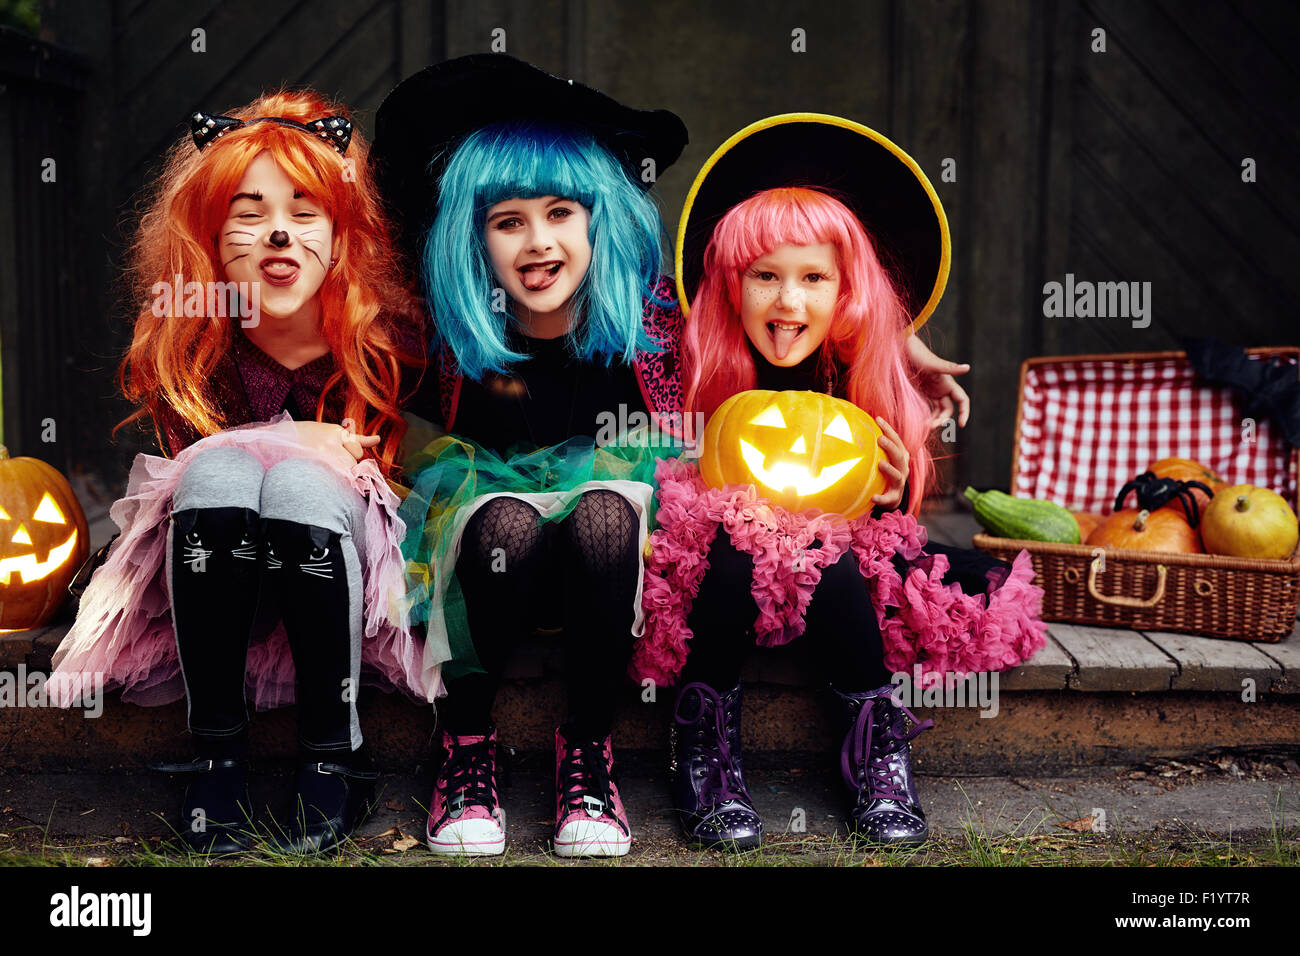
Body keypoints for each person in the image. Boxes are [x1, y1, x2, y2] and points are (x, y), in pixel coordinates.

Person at [630, 115, 1048, 850]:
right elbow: (625, 291)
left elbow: (889, 490)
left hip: (838, 563)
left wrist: (893, 487)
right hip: (719, 564)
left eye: (813, 279)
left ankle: (875, 740)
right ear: (730, 284)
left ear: (846, 290)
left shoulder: (861, 363)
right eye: (766, 276)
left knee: (831, 548)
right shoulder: (688, 348)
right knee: (733, 546)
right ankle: (704, 742)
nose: (789, 303)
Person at [49, 90, 433, 855]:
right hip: (223, 575)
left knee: (296, 482)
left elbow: (386, 476)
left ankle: (334, 755)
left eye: (304, 210)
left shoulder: (381, 337)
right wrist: (286, 439)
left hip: (334, 569)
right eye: (249, 213)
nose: (279, 232)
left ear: (342, 233)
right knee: (219, 474)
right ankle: (217, 748)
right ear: (210, 236)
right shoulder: (195, 341)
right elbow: (191, 471)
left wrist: (313, 456)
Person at [372, 53, 690, 858]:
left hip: (609, 560)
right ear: (472, 236)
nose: (538, 242)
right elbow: (330, 335)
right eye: (508, 220)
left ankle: (587, 750)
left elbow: (775, 330)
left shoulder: (657, 319)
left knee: (606, 510)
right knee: (506, 519)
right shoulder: (445, 333)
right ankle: (467, 745)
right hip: (487, 559)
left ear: (600, 218)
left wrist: (887, 351)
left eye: (560, 213)